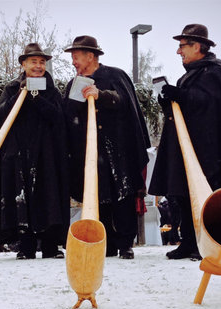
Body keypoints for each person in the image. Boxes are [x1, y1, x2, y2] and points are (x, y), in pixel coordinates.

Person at [149, 24, 221, 260]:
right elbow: (189, 107)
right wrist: (169, 100)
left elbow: (212, 105)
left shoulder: (215, 71)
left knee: (209, 197)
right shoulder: (191, 75)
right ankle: (190, 242)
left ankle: (212, 243)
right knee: (183, 195)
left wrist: (180, 95)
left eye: (182, 46)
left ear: (198, 46)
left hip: (211, 150)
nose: (178, 51)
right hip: (189, 148)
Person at [63, 35, 151, 259]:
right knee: (98, 196)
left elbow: (124, 102)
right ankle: (106, 243)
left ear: (90, 56)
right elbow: (67, 116)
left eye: (76, 57)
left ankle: (125, 243)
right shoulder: (73, 84)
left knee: (122, 195)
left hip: (118, 150)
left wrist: (101, 96)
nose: (73, 62)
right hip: (89, 154)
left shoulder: (115, 76)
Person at [0, 43, 70, 259]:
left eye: (42, 62)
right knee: (22, 198)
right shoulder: (12, 89)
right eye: (34, 61)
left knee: (48, 197)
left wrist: (36, 98)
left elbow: (58, 119)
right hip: (20, 155)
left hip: (46, 156)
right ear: (23, 64)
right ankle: (26, 247)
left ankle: (51, 246)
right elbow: (2, 116)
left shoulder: (51, 91)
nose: (39, 66)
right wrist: (22, 93)